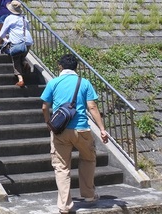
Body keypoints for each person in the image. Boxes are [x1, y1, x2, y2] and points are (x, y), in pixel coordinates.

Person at [41, 53, 110, 214]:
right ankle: (88, 194)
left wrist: (48, 123)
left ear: (60, 66)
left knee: (61, 167)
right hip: (82, 129)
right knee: (88, 158)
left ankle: (65, 205)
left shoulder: (54, 83)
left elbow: (45, 107)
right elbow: (92, 106)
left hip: (61, 130)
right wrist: (101, 129)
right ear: (75, 67)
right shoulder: (84, 83)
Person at [0, 0, 33, 87]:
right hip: (28, 40)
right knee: (22, 56)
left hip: (17, 41)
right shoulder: (24, 18)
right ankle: (24, 63)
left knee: (15, 59)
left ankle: (20, 79)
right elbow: (28, 29)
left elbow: (2, 33)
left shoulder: (9, 18)